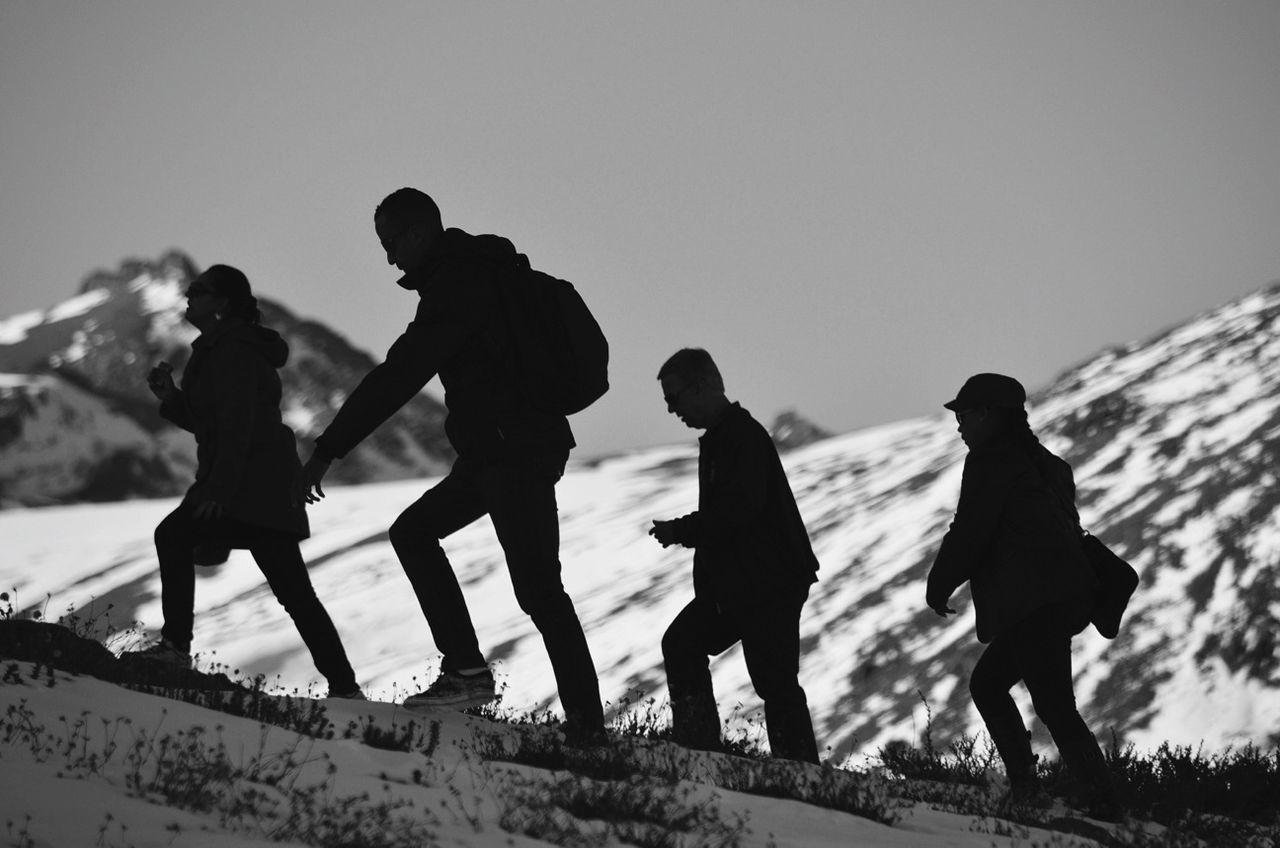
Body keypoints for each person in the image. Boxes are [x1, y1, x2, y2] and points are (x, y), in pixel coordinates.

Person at [298, 188, 605, 744]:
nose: (390, 258)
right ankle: (467, 671)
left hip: (514, 451)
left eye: (391, 243)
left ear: (417, 234)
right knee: (414, 533)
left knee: (539, 592)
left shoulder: (459, 287)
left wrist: (326, 450)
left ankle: (587, 731)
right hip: (499, 450)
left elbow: (400, 374)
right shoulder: (480, 274)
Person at [128, 265, 363, 700]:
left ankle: (175, 648)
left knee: (174, 535)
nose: (188, 295)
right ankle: (345, 688)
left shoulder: (231, 349)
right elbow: (217, 423)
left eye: (198, 291)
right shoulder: (226, 346)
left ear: (221, 302)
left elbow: (237, 426)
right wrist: (172, 399)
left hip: (250, 486)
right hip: (266, 486)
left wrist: (219, 490)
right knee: (295, 592)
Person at [926, 373, 1121, 820]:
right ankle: (1044, 789)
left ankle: (1080, 799)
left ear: (989, 415)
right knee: (1002, 688)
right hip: (1065, 597)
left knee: (1043, 702)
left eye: (965, 414)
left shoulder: (991, 461)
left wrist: (939, 584)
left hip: (1035, 604)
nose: (959, 425)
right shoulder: (1048, 463)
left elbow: (971, 532)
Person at [649, 348, 820, 763]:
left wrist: (683, 530)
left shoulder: (740, 437)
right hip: (746, 584)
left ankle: (799, 774)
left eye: (675, 399)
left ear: (702, 386)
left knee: (774, 682)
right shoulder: (728, 436)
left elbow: (738, 510)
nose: (672, 410)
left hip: (768, 583)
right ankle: (703, 750)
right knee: (686, 645)